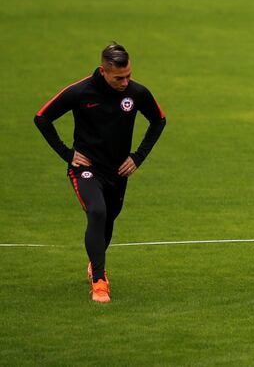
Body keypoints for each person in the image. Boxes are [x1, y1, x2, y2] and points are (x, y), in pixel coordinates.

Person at [34, 43, 166, 303]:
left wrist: (138, 157)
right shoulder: (81, 92)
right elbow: (42, 118)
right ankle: (99, 280)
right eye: (119, 77)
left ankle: (95, 260)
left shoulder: (137, 93)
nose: (126, 82)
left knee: (108, 219)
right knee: (97, 211)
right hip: (86, 169)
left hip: (118, 172)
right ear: (104, 71)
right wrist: (68, 153)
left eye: (129, 75)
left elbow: (159, 120)